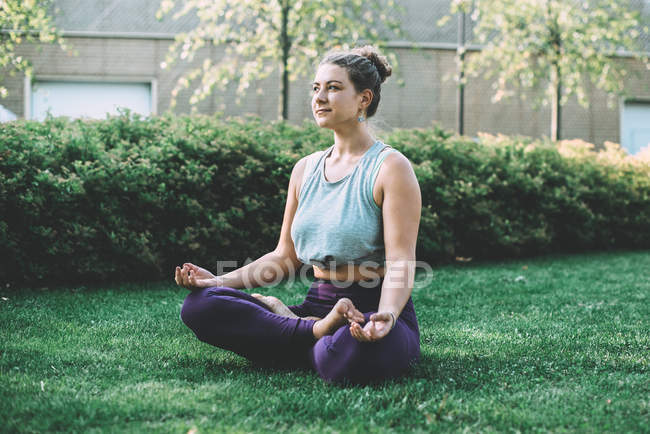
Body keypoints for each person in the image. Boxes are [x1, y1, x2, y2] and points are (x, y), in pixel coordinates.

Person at [175, 45, 422, 385]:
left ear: (364, 98)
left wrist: (389, 315)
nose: (320, 97)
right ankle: (311, 330)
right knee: (200, 306)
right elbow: (285, 257)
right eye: (316, 88)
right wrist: (216, 281)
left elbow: (400, 261)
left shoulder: (391, 167)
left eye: (333, 88)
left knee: (345, 356)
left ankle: (293, 332)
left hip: (371, 308)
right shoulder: (305, 169)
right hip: (316, 309)